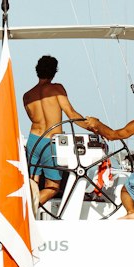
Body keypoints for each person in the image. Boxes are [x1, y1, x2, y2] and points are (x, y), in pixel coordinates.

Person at [22, 56, 98, 209]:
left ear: (37, 71)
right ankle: (25, 212)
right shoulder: (57, 89)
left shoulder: (27, 95)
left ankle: (26, 212)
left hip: (33, 141)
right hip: (50, 143)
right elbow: (72, 114)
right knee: (52, 187)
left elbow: (33, 118)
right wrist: (93, 127)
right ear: (54, 72)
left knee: (33, 185)